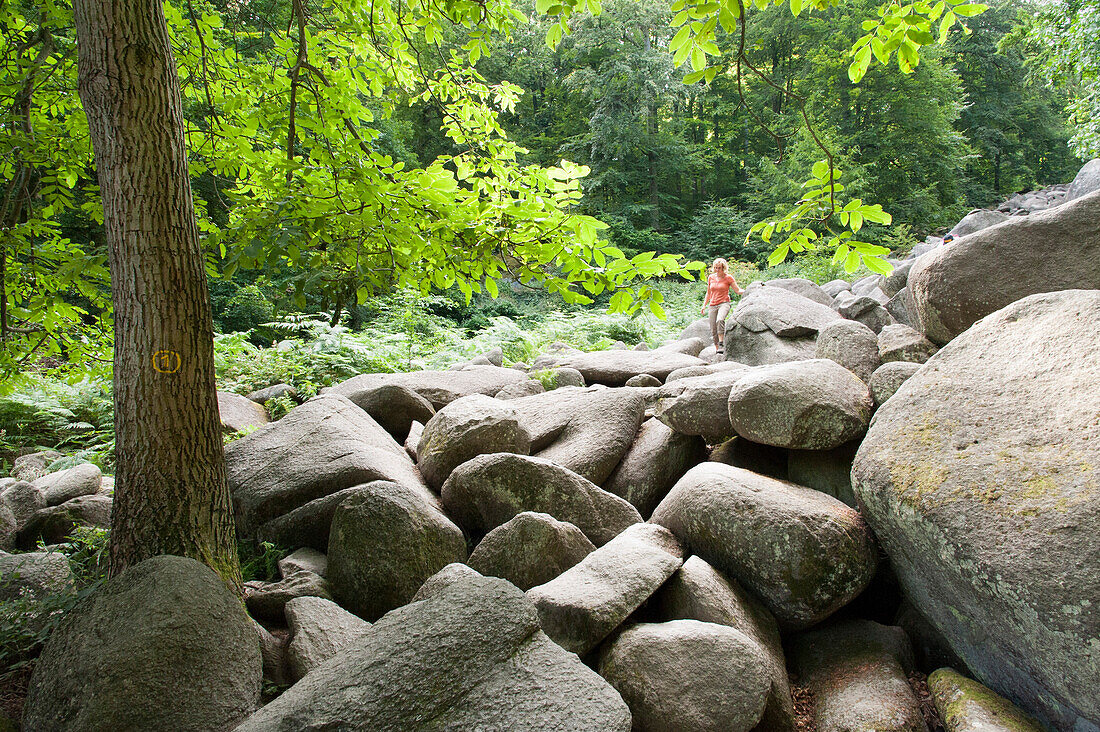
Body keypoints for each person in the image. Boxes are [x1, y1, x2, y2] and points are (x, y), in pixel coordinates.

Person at [701, 257, 744, 353]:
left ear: (723, 268)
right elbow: (708, 293)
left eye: (719, 268)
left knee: (720, 320)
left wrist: (749, 289)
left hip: (724, 303)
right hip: (712, 304)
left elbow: (737, 290)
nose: (717, 270)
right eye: (715, 267)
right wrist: (704, 305)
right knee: (713, 329)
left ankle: (721, 343)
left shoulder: (728, 278)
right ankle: (718, 350)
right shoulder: (711, 277)